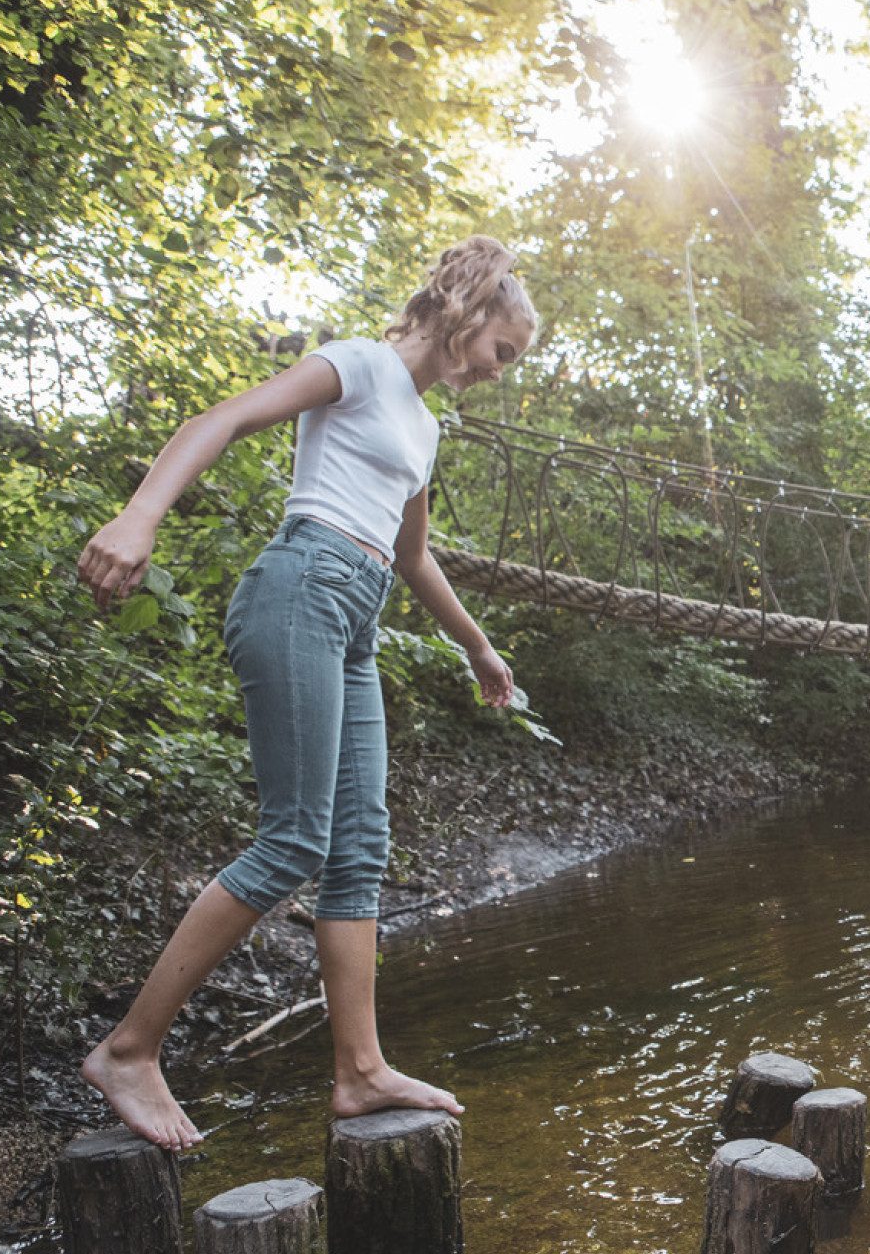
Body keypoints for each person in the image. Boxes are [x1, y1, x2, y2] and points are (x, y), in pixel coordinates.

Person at [73, 236, 538, 1151]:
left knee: (358, 847)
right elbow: (227, 418)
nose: (497, 372)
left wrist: (480, 647)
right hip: (300, 589)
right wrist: (139, 516)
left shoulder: (425, 425)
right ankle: (129, 1050)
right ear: (470, 313)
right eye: (501, 353)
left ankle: (360, 1073)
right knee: (294, 838)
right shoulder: (361, 365)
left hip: (354, 618)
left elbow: (410, 557)